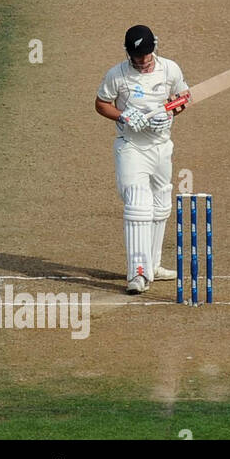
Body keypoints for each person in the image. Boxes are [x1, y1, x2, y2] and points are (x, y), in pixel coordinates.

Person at [95, 26, 189, 294]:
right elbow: (101, 104)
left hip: (161, 147)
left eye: (146, 55)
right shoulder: (117, 75)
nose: (142, 61)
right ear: (128, 53)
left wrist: (169, 113)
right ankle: (137, 272)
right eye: (137, 56)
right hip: (132, 147)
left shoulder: (170, 69)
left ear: (154, 48)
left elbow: (184, 97)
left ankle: (153, 265)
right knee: (137, 203)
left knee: (161, 205)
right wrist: (123, 116)